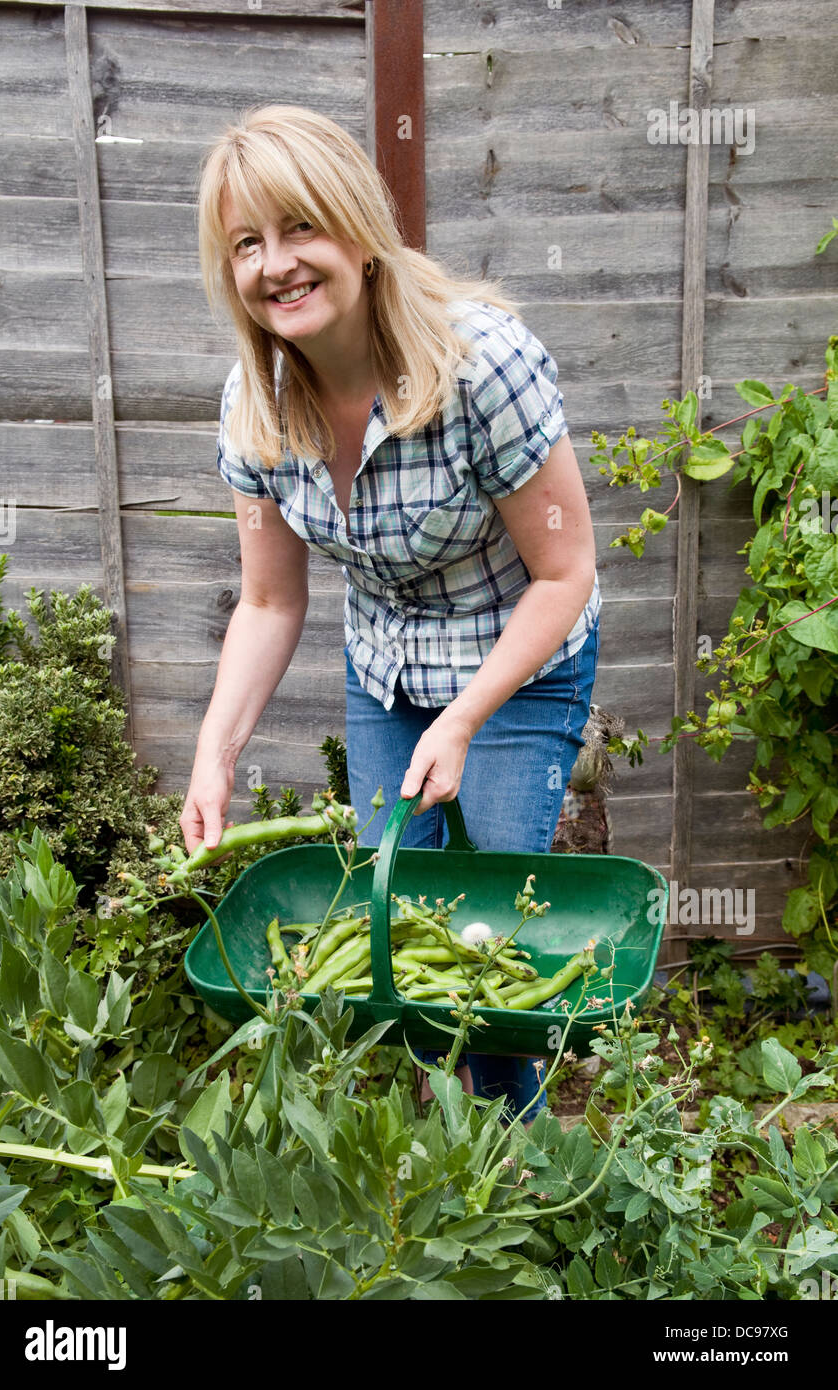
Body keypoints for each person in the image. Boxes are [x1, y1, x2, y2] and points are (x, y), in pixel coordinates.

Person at [183, 104, 601, 1124]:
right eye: (247, 243)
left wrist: (464, 718)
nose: (275, 264)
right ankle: (446, 1181)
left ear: (359, 234)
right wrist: (215, 749)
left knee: (487, 963)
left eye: (299, 230)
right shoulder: (253, 403)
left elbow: (567, 571)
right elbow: (273, 599)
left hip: (517, 664)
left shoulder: (479, 365)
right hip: (385, 679)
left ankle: (523, 1188)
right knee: (399, 953)